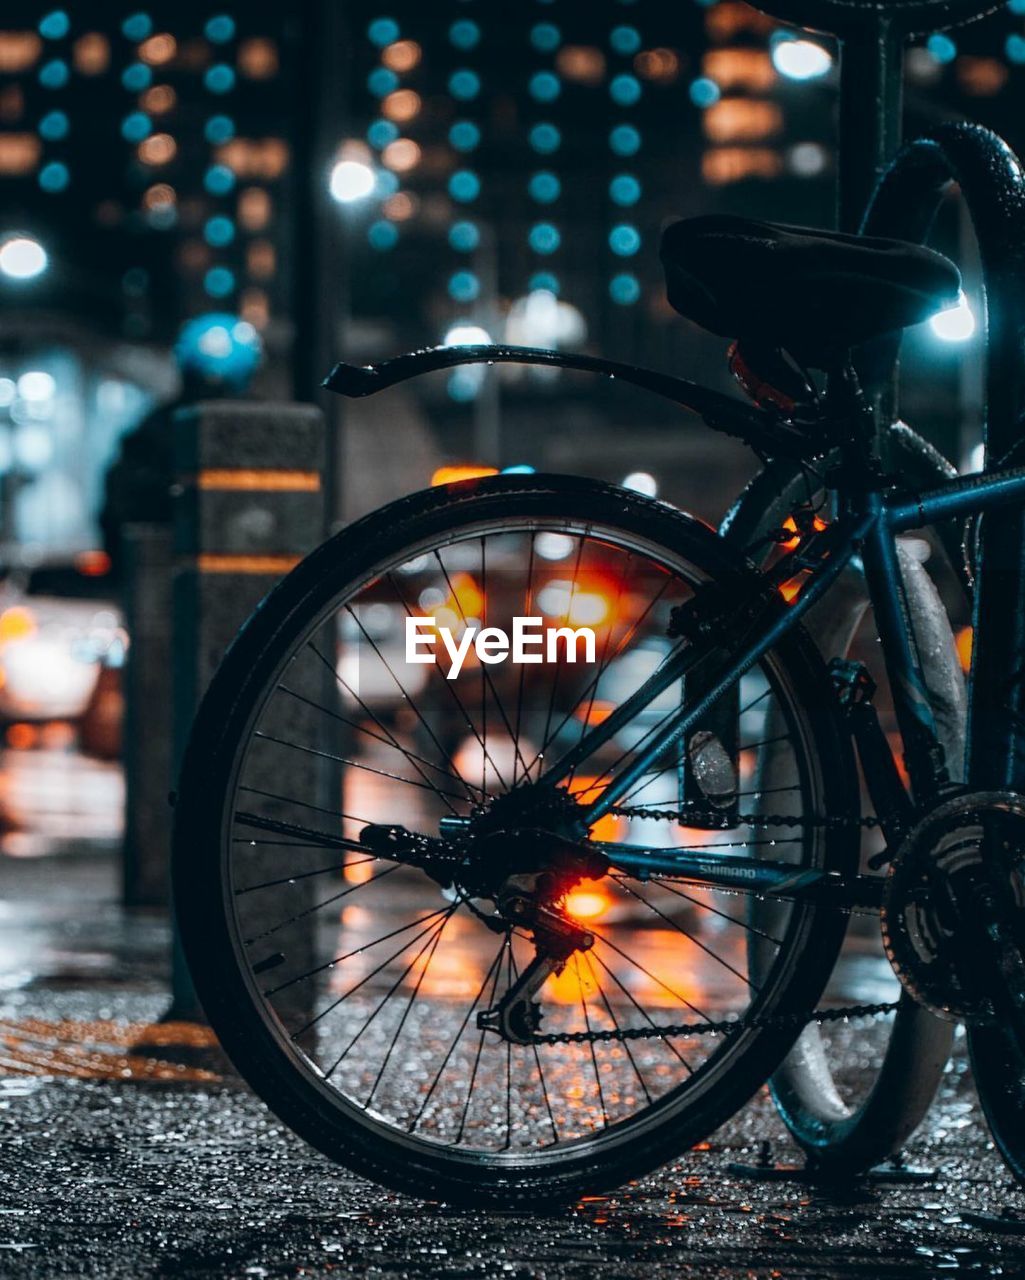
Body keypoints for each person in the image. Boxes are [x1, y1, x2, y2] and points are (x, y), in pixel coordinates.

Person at [100, 312, 263, 579]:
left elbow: (119, 513)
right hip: (257, 575)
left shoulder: (156, 426)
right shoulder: (268, 427)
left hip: (164, 578)